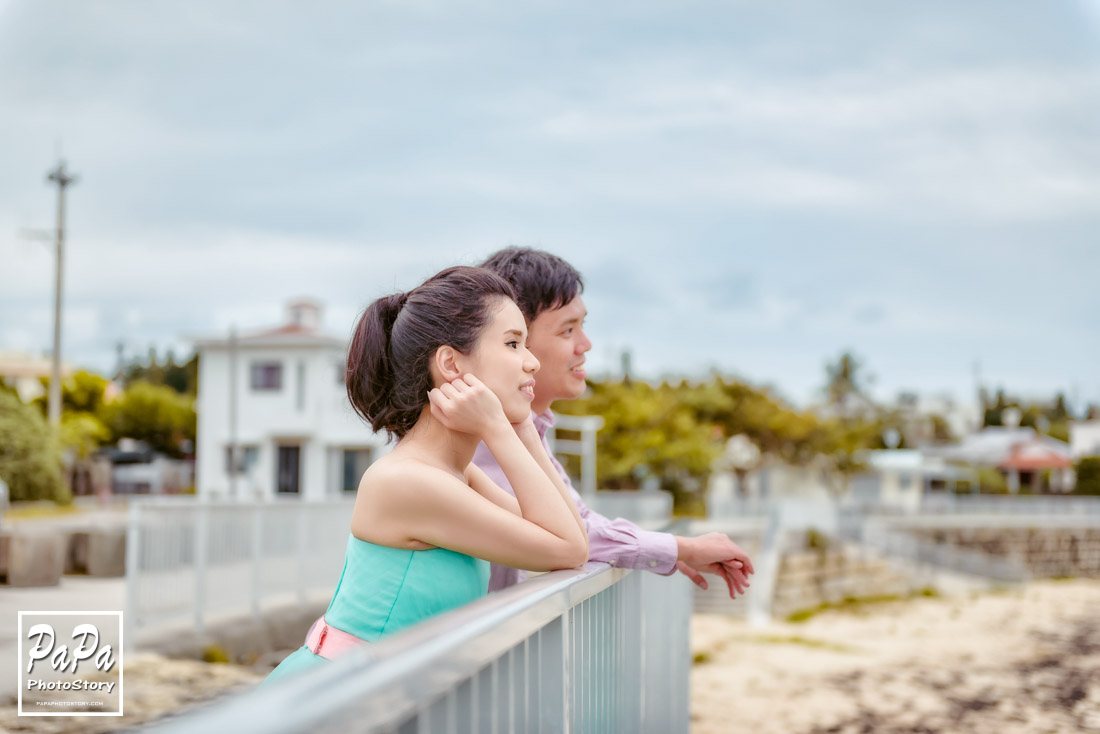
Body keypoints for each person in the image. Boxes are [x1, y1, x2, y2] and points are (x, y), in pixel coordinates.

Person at [263, 266, 589, 685]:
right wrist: (500, 428)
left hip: (374, 693)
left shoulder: (457, 473)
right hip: (331, 699)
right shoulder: (409, 481)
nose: (532, 362)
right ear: (451, 364)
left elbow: (568, 532)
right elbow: (568, 548)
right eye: (512, 343)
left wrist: (522, 426)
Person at [475, 248, 754, 597]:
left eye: (583, 326)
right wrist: (680, 548)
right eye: (567, 331)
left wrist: (667, 548)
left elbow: (576, 519)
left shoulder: (527, 428)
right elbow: (567, 535)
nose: (586, 344)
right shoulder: (483, 438)